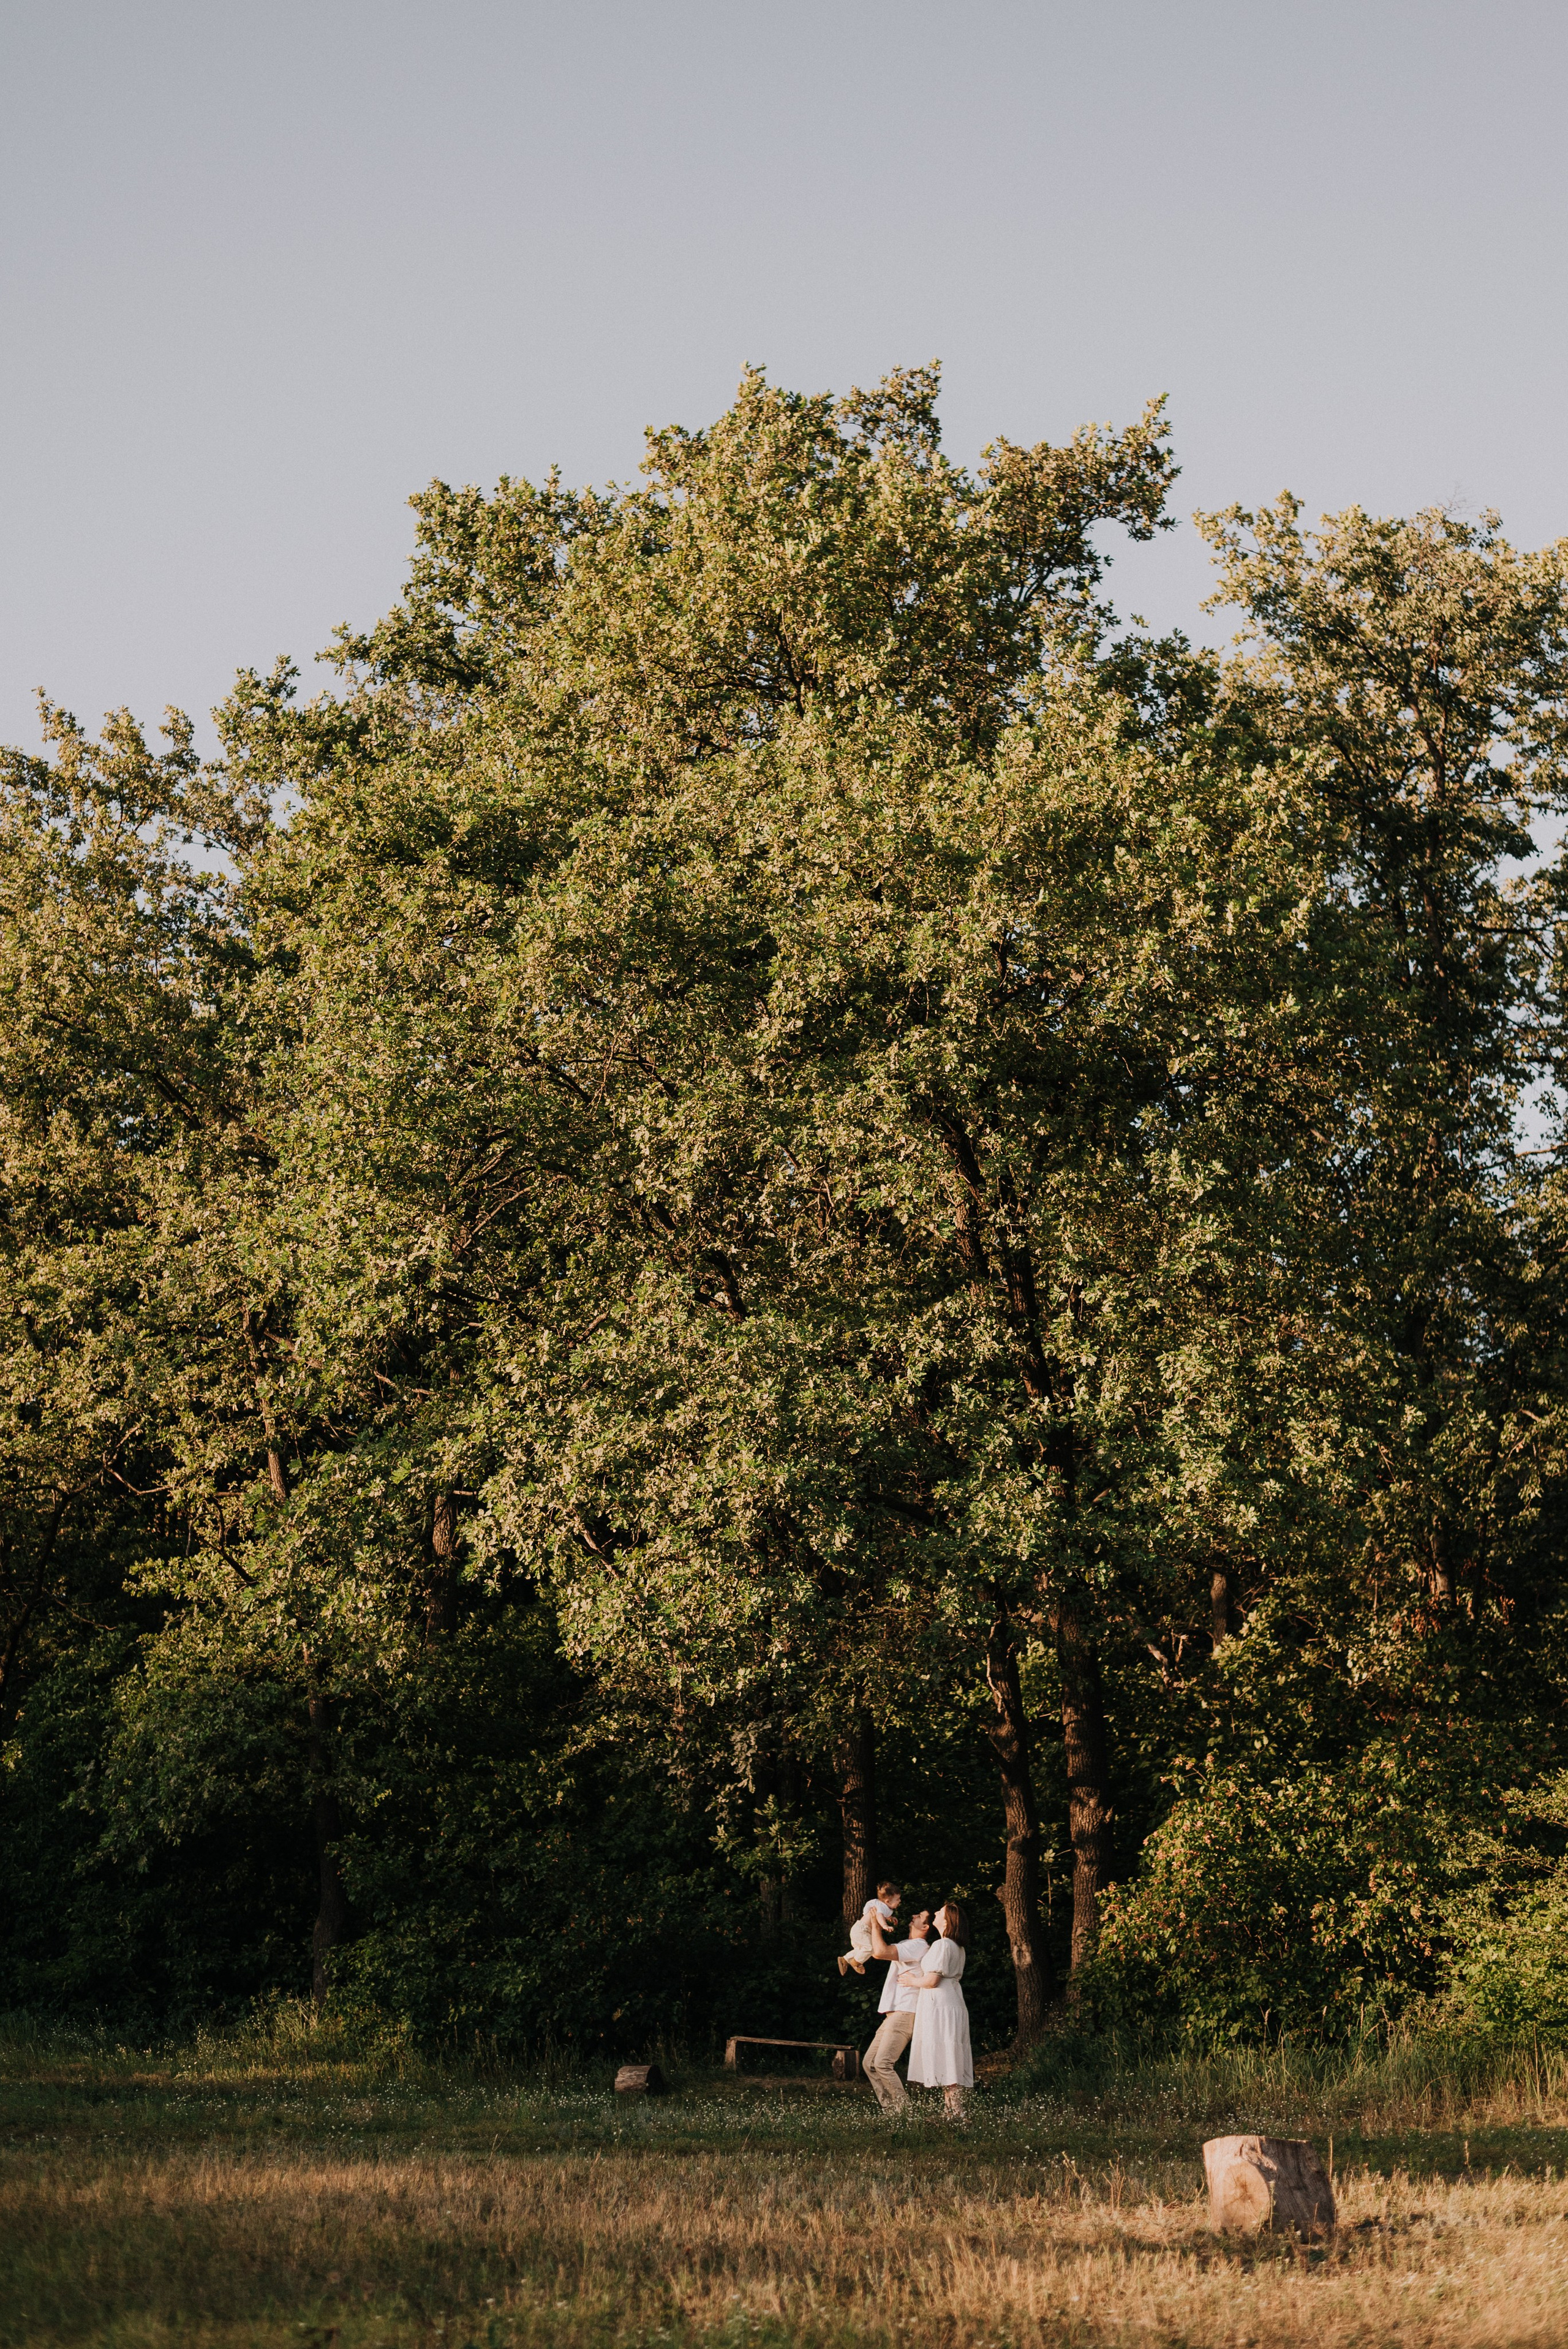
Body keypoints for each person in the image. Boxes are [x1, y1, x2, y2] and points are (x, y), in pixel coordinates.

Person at [905, 1898, 973, 2118]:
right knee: (949, 2053)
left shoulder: (943, 1945)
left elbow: (932, 1980)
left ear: (948, 1920)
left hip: (941, 2004)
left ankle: (955, 2111)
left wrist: (911, 1981)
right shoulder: (956, 1947)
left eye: (940, 1912)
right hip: (950, 2001)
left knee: (946, 2052)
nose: (936, 1912)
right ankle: (951, 2109)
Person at [861, 1906, 933, 2113]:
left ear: (925, 1926)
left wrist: (876, 1922)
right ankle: (890, 2110)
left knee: (883, 2063)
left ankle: (904, 2113)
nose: (914, 1914)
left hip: (905, 2013)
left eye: (919, 1915)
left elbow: (880, 1952)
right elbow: (880, 1948)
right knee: (870, 2064)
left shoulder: (919, 1946)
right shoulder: (907, 1944)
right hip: (894, 2014)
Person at [837, 1879, 902, 1977]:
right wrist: (885, 1926)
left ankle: (845, 1959)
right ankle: (856, 1963)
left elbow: (883, 1915)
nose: (900, 1901)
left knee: (861, 1949)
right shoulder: (882, 1907)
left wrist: (890, 1918)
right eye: (897, 1899)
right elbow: (879, 1915)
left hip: (860, 1930)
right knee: (870, 1948)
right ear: (888, 1901)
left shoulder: (883, 1906)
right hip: (862, 1930)